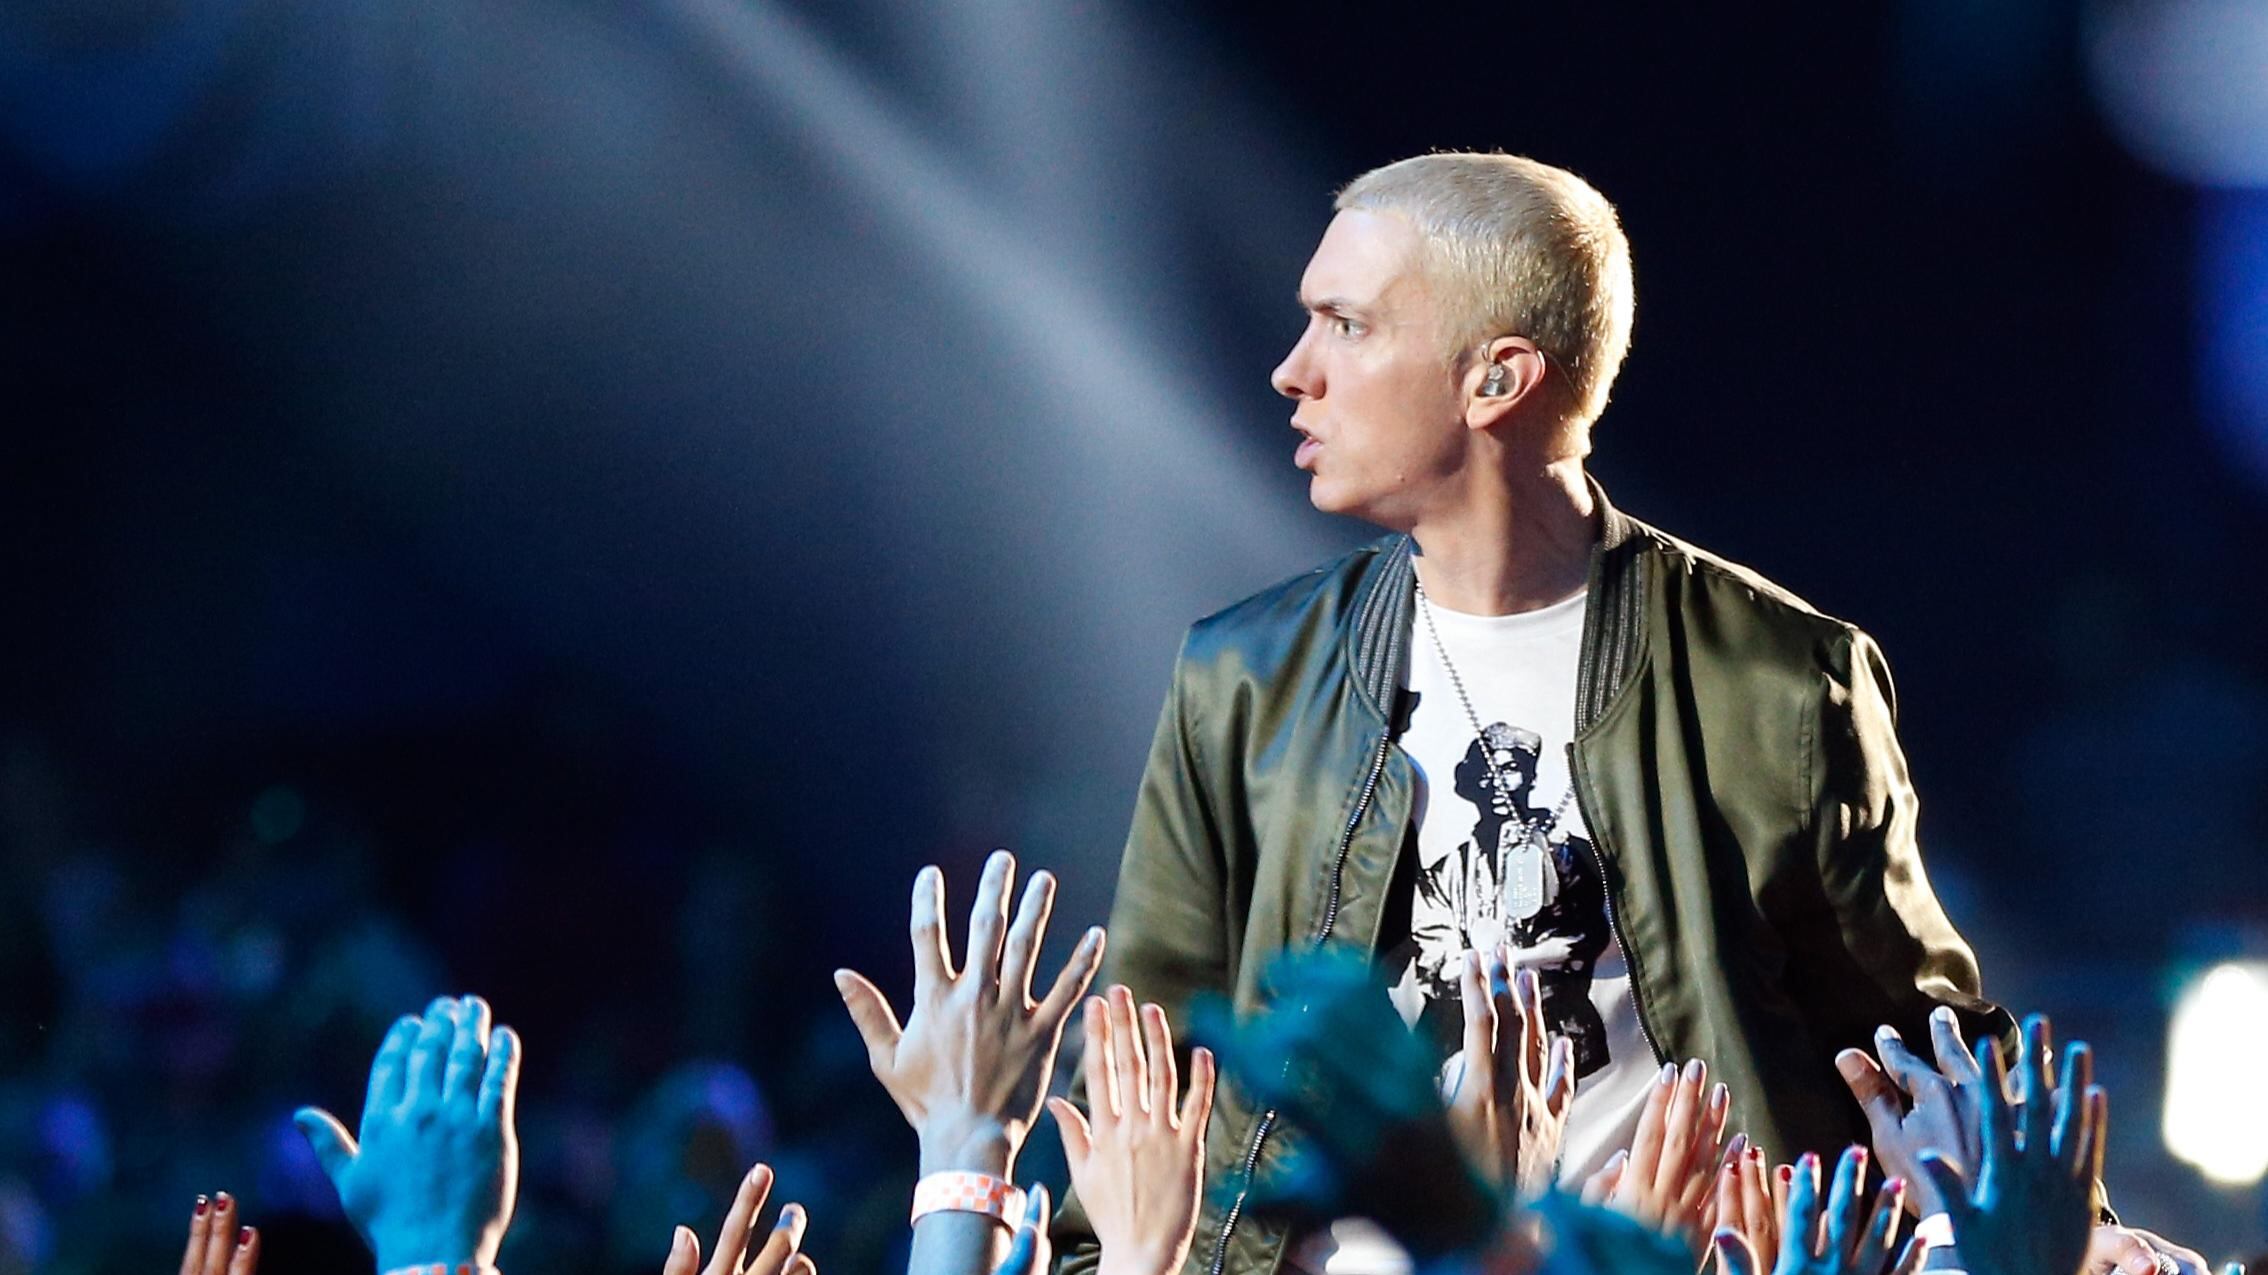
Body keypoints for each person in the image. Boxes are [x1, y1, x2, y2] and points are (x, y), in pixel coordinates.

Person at [1052, 151, 2012, 1275]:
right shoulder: (1247, 675)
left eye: (1346, 327)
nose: (1292, 370)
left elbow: (1915, 1042)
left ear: (1497, 380)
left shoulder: (1778, 680)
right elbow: (1143, 1064)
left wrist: (2068, 1233)